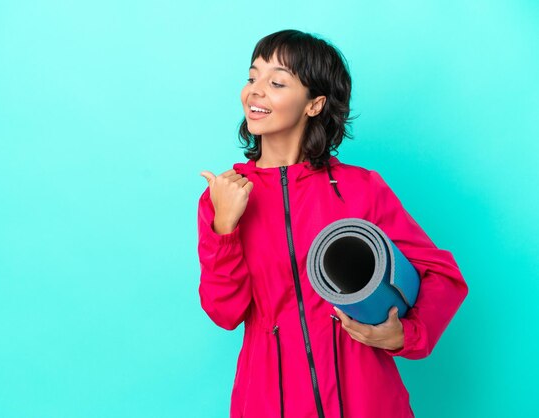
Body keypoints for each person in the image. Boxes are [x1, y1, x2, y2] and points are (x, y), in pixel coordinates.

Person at [197, 29, 468, 418]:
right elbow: (225, 312)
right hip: (270, 403)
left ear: (314, 104)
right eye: (252, 76)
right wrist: (225, 227)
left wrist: (405, 334)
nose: (255, 91)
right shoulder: (224, 195)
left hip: (367, 399)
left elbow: (442, 275)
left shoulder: (361, 189)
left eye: (276, 82)